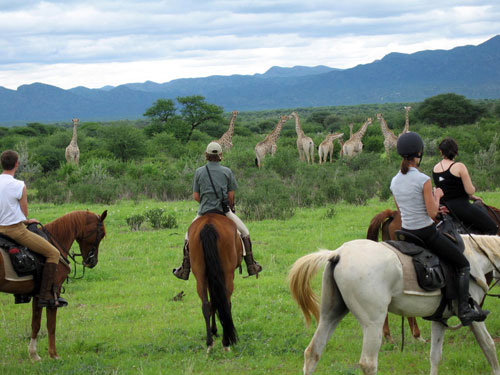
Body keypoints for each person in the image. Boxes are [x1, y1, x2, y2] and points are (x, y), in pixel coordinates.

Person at [390, 132, 488, 326]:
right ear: (419, 154)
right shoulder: (423, 179)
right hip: (425, 233)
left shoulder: (394, 181)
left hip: (406, 233)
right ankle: (464, 309)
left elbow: (402, 210)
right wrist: (437, 194)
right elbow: (433, 213)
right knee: (462, 263)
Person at [173, 142, 262, 280]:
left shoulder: (199, 172)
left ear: (206, 155)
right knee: (245, 232)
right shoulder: (227, 171)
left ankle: (184, 269)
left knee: (187, 237)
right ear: (220, 155)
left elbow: (196, 196)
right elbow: (231, 196)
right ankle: (251, 265)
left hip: (203, 212)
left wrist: (206, 203)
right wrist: (229, 206)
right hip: (224, 211)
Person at [0, 150, 67, 308]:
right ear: (17, 164)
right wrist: (29, 221)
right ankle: (45, 295)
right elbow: (24, 213)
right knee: (53, 253)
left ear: (2, 164)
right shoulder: (19, 185)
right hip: (15, 230)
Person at [432, 137, 498, 235]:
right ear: (455, 151)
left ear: (441, 152)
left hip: (444, 207)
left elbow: (448, 189)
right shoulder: (459, 166)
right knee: (492, 227)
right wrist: (472, 193)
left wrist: (472, 197)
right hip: (460, 207)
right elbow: (470, 190)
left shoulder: (435, 168)